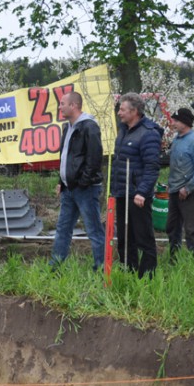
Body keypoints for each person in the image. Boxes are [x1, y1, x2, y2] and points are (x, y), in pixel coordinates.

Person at [50, 92, 106, 271]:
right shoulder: (67, 127)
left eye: (62, 103)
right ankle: (56, 266)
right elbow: (65, 156)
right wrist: (62, 180)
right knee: (62, 228)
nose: (60, 107)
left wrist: (83, 183)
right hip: (69, 188)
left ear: (74, 106)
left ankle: (102, 267)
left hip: (85, 189)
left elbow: (94, 159)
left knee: (94, 230)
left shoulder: (89, 127)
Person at [109, 93, 163, 277]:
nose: (119, 113)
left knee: (143, 236)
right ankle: (128, 271)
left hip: (138, 195)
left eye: (122, 109)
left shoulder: (149, 134)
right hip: (122, 192)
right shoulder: (123, 130)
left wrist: (142, 191)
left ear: (135, 111)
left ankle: (148, 275)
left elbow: (152, 167)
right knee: (125, 237)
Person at [165, 108, 194, 259]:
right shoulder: (177, 140)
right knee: (172, 226)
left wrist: (188, 188)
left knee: (192, 228)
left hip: (189, 192)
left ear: (185, 122)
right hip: (174, 190)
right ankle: (174, 257)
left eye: (176, 120)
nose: (173, 123)